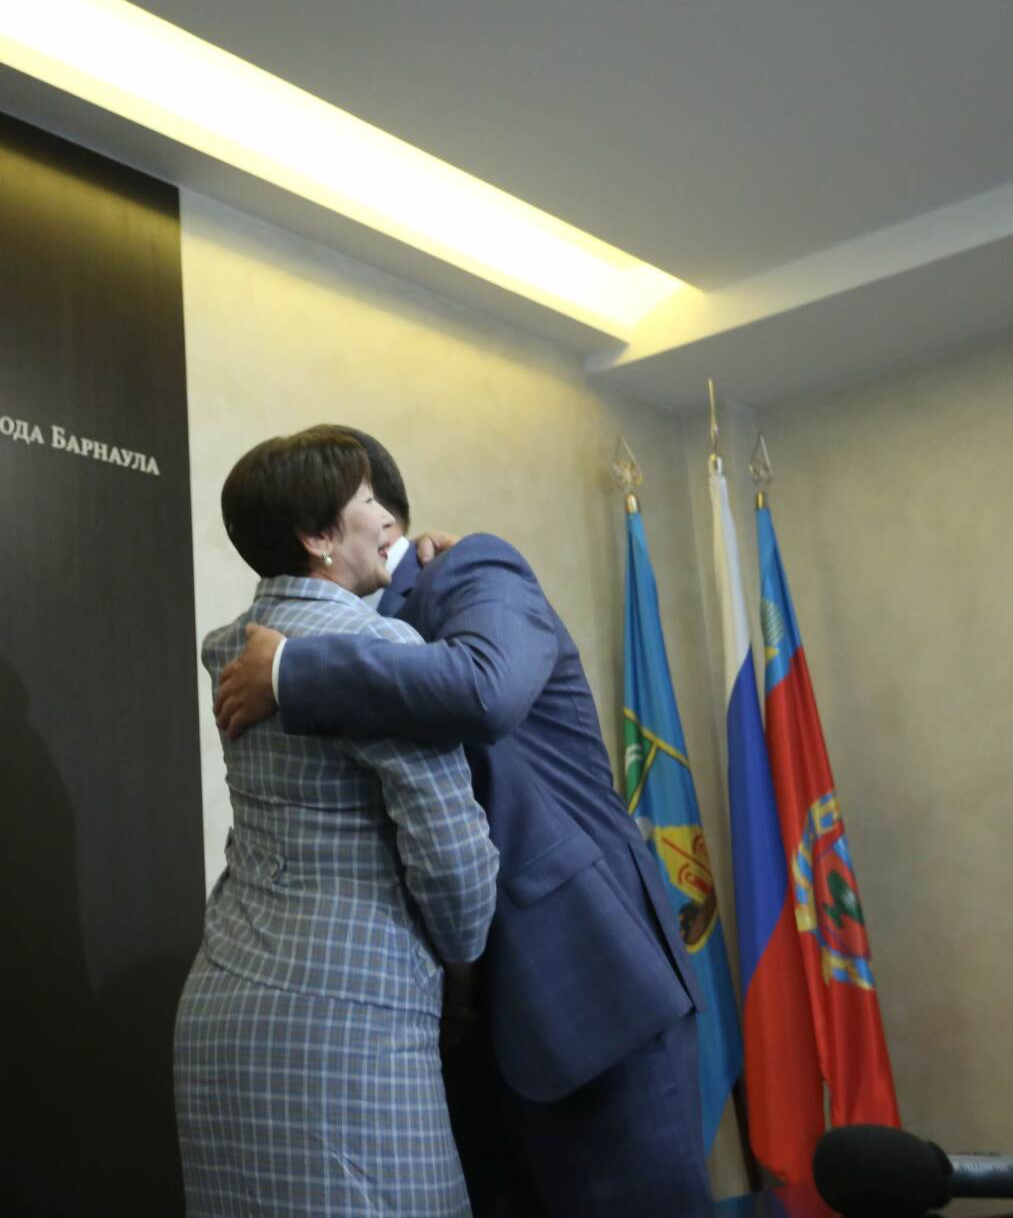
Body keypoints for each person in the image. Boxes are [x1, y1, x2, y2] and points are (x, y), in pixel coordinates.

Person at [214, 430, 710, 1218]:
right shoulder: (318, 627)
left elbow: (486, 689)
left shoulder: (472, 569)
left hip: (585, 988)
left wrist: (287, 669)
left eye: (372, 498)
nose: (377, 515)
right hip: (442, 1026)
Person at [176, 426, 500, 1217]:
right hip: (350, 1024)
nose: (390, 519)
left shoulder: (231, 648)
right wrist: (465, 957)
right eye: (368, 503)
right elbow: (456, 872)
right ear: (318, 537)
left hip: (219, 1005)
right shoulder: (380, 645)